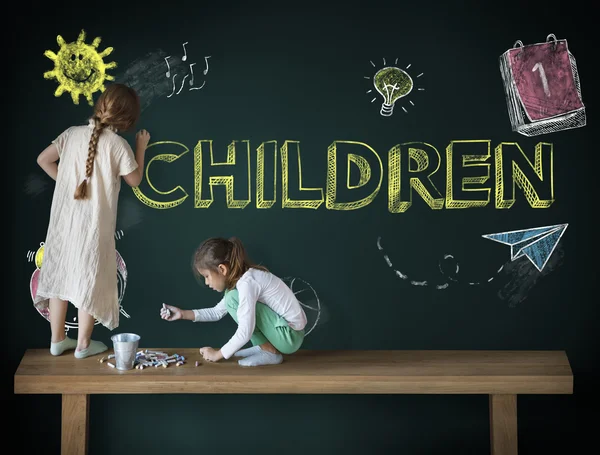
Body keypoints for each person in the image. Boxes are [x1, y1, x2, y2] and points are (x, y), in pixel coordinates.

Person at [34, 83, 150, 359]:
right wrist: (141, 147)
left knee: (60, 276)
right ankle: (83, 344)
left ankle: (56, 340)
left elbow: (43, 160)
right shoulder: (118, 145)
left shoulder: (71, 135)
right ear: (126, 120)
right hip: (93, 227)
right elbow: (135, 180)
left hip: (63, 223)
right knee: (88, 279)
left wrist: (66, 183)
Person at [161, 237, 307, 366]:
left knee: (232, 299)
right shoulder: (242, 281)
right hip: (286, 333)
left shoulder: (247, 283)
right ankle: (265, 347)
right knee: (232, 298)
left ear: (222, 269)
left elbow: (245, 331)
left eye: (206, 276)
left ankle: (270, 352)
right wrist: (182, 314)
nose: (206, 283)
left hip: (289, 336)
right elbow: (216, 312)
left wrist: (218, 354)